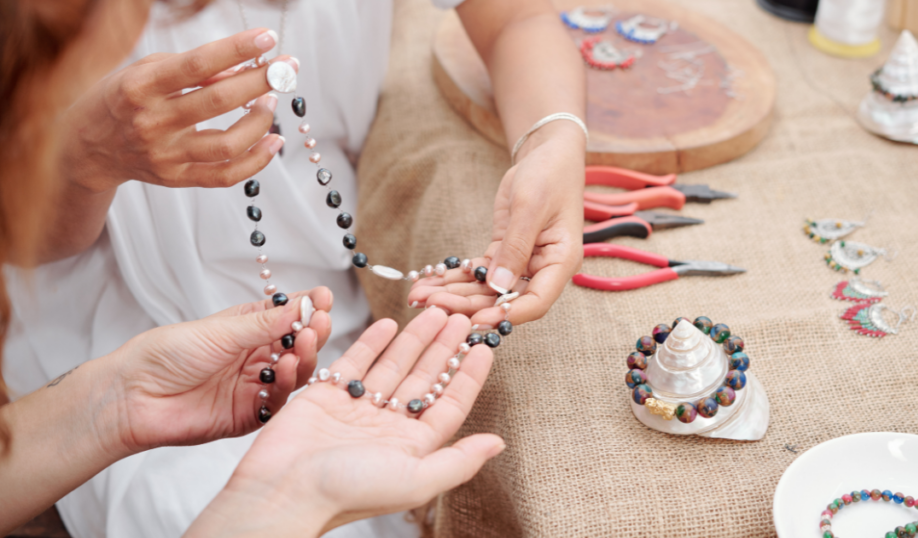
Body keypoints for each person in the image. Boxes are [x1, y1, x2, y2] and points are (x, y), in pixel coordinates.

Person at [4, 0, 586, 535]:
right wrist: (82, 158)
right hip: (108, 329)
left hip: (315, 310)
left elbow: (517, 19)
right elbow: (21, 236)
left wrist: (552, 140)